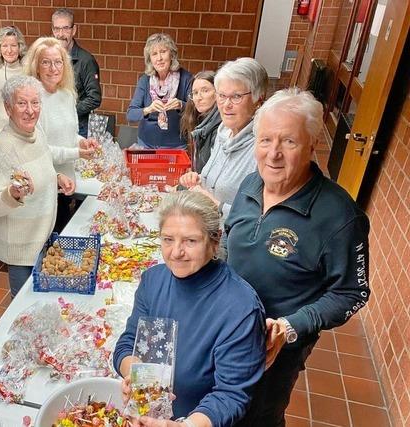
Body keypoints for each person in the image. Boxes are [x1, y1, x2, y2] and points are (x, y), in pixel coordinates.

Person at [226, 88, 371, 427]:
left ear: (311, 145)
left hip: (274, 347)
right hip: (226, 326)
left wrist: (292, 327)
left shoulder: (339, 216)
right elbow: (229, 241)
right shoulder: (251, 183)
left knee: (257, 415)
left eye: (288, 142)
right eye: (265, 141)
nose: (273, 154)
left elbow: (352, 293)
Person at [114, 191, 266, 427]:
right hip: (148, 416)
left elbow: (231, 395)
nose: (176, 252)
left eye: (190, 241)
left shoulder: (240, 307)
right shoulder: (153, 281)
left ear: (215, 242)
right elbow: (127, 343)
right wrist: (136, 376)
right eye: (167, 239)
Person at [0, 75, 76, 297]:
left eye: (35, 103)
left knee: (39, 302)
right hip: (21, 247)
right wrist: (12, 193)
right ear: (8, 108)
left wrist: (56, 177)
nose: (30, 110)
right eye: (22, 103)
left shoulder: (37, 132)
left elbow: (43, 165)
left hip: (41, 237)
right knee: (24, 307)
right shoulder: (2, 147)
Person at [179, 58, 268, 220]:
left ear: (258, 100)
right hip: (205, 229)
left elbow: (260, 218)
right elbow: (215, 185)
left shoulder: (264, 148)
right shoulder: (223, 132)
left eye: (236, 96)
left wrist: (214, 203)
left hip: (231, 241)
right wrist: (198, 180)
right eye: (221, 95)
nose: (226, 104)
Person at [23, 36, 97, 232]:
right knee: (43, 248)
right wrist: (77, 153)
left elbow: (70, 134)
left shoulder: (66, 95)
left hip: (65, 184)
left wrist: (81, 143)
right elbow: (38, 150)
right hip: (41, 186)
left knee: (60, 243)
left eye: (58, 62)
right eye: (46, 62)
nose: (53, 68)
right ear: (36, 66)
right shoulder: (31, 100)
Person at [126, 33, 192, 149]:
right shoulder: (145, 80)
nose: (159, 58)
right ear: (150, 59)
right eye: (154, 54)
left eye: (163, 51)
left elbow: (197, 110)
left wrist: (181, 104)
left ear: (172, 54)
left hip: (176, 145)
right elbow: (131, 114)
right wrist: (149, 109)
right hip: (146, 144)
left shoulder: (186, 78)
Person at [51, 8, 102, 137]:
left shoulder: (86, 60)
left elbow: (94, 98)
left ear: (74, 30)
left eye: (65, 28)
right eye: (57, 29)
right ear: (52, 31)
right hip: (53, 126)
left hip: (78, 127)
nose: (61, 34)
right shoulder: (49, 58)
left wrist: (68, 111)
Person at [179, 71, 220, 173]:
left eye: (205, 91)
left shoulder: (220, 128)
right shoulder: (199, 120)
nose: (198, 97)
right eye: (195, 93)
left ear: (218, 93)